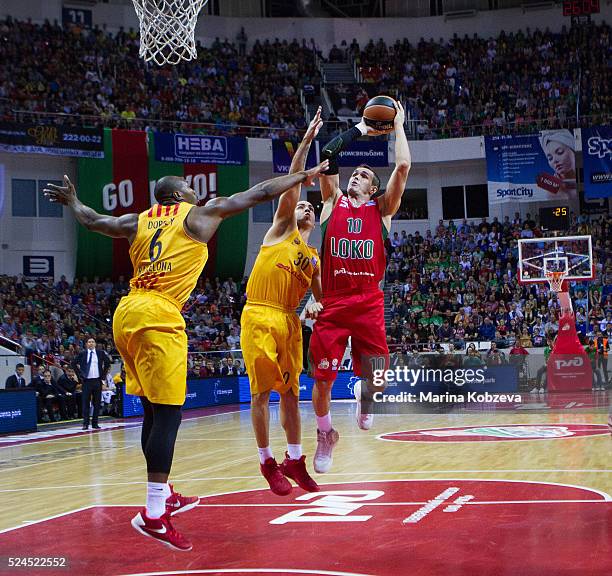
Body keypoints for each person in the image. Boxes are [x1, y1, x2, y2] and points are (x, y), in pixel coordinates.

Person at [44, 161, 328, 551]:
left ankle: (164, 494)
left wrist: (74, 202)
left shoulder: (138, 220)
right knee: (169, 414)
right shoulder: (197, 216)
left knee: (150, 410)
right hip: (159, 313)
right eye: (191, 189)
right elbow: (259, 193)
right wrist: (300, 177)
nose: (198, 192)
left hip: (126, 313)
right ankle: (155, 514)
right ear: (178, 195)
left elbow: (94, 221)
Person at [308, 99, 411, 473]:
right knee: (321, 379)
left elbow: (402, 165)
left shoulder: (381, 211)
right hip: (334, 303)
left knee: (377, 380)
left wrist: (397, 124)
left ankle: (363, 397)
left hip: (369, 302)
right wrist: (361, 131)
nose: (357, 176)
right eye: (355, 173)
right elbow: (329, 153)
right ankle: (325, 433)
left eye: (365, 175)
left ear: (374, 187)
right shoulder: (331, 202)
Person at [242, 108, 323, 495]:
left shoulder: (315, 259)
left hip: (290, 322)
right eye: (302, 204)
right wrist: (306, 143)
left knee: (291, 395)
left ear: (317, 221)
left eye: (311, 207)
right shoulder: (283, 227)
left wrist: (319, 307)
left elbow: (324, 301)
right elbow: (292, 187)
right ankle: (266, 461)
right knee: (260, 394)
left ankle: (295, 458)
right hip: (259, 313)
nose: (305, 206)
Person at [73, 337, 110, 430]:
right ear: (86, 344)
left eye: (93, 342)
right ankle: (85, 423)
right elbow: (73, 363)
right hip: (86, 381)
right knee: (85, 403)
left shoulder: (100, 353)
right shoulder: (82, 353)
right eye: (89, 342)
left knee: (97, 403)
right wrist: (79, 374)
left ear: (95, 344)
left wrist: (103, 375)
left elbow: (108, 362)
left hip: (97, 381)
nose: (91, 343)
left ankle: (95, 423)